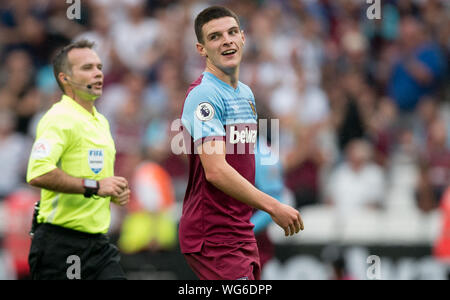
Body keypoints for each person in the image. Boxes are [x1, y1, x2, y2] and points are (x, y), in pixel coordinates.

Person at [179, 6, 303, 280]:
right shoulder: (205, 95)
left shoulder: (245, 93)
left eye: (232, 32)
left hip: (239, 228)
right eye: (215, 36)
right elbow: (216, 170)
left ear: (243, 38)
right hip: (212, 231)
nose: (226, 40)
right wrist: (273, 206)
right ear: (201, 49)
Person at [26, 40, 130, 280]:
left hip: (99, 245)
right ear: (65, 78)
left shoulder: (100, 121)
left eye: (99, 67)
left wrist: (114, 191)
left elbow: (97, 181)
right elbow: (38, 173)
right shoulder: (58, 118)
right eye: (87, 68)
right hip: (61, 245)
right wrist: (96, 187)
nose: (97, 73)